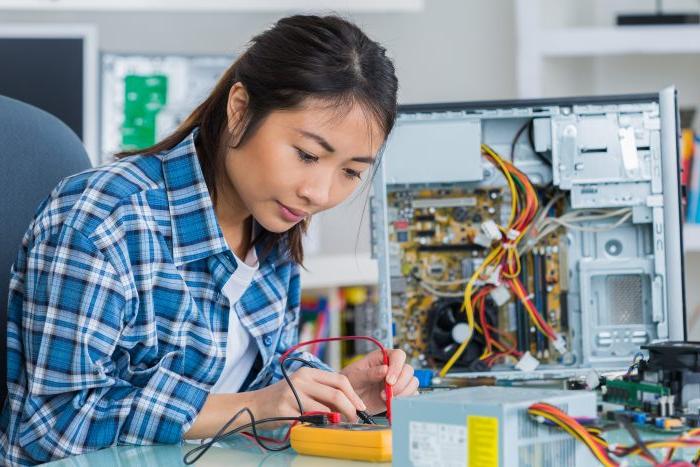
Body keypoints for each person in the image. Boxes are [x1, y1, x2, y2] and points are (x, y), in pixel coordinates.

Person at [1, 14, 417, 465]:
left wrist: (332, 392)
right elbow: (54, 425)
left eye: (351, 172)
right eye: (306, 154)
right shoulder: (103, 220)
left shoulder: (275, 226)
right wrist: (254, 408)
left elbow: (260, 374)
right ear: (240, 109)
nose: (318, 192)